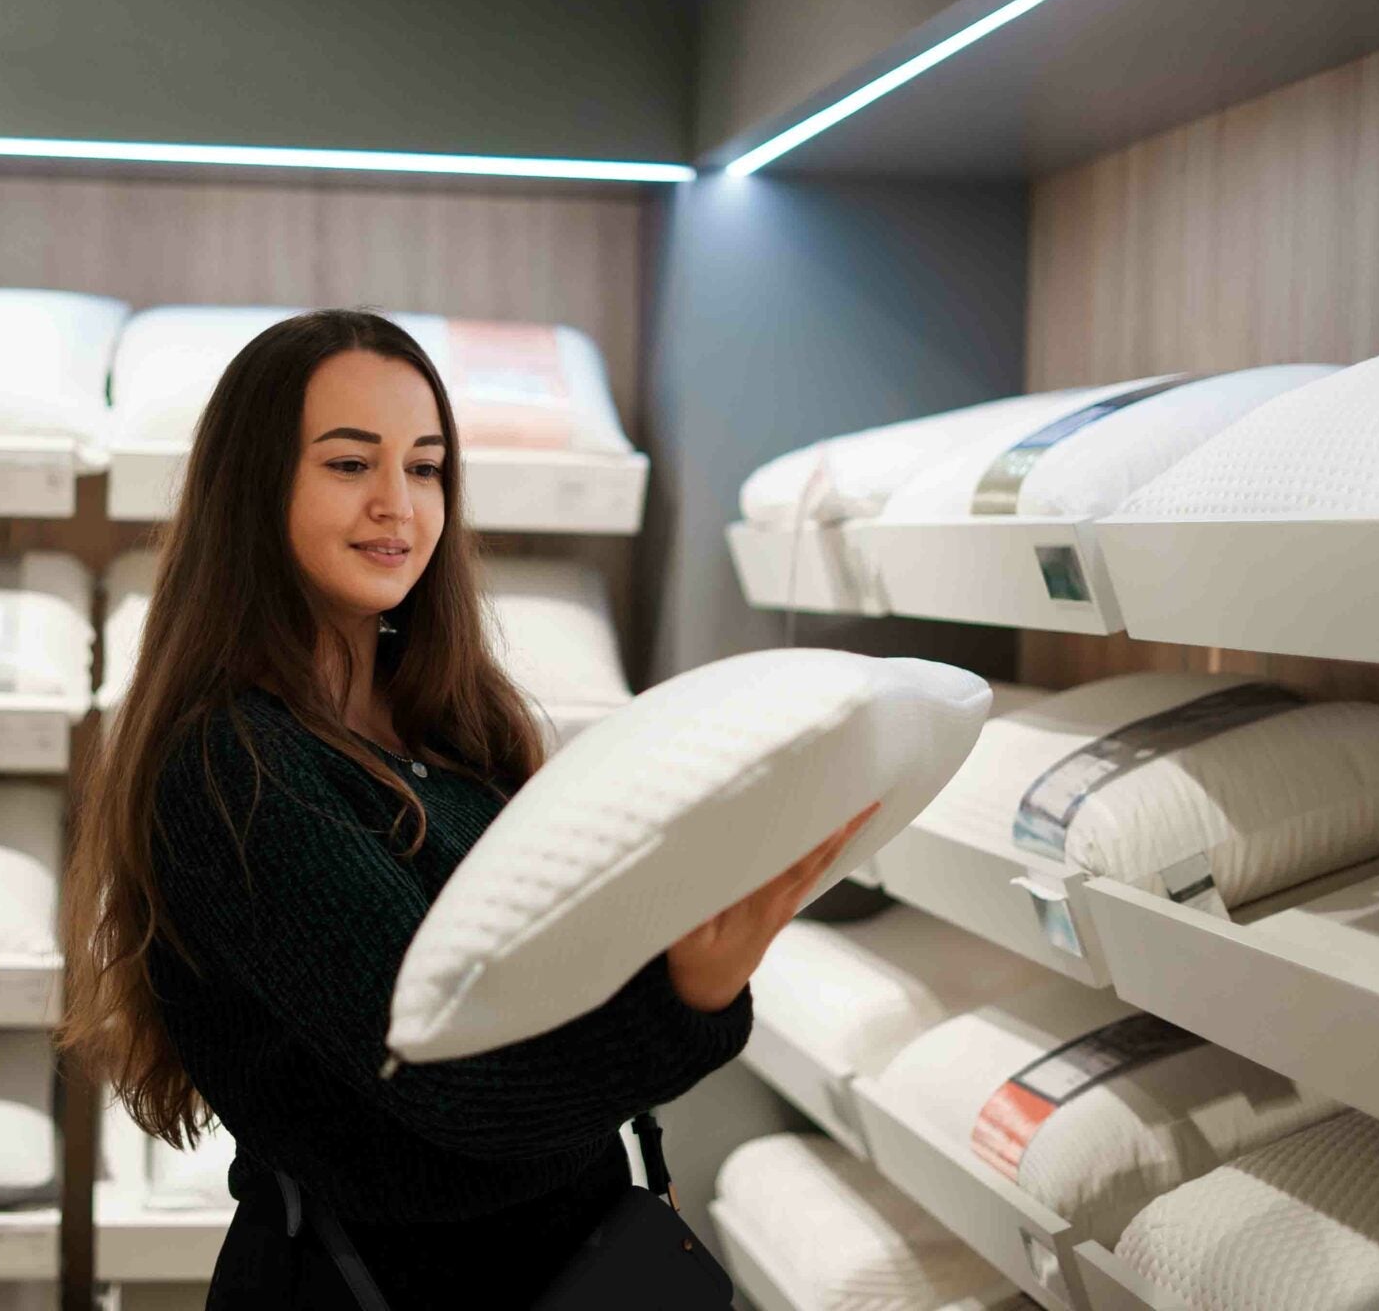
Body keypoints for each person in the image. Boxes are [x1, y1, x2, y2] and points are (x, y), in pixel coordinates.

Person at [61, 309, 870, 1308]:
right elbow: (453, 1104)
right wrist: (685, 996)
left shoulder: (458, 727)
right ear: (253, 485)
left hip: (560, 1264)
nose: (396, 505)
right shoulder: (235, 767)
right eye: (350, 465)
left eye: (426, 467)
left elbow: (552, 995)